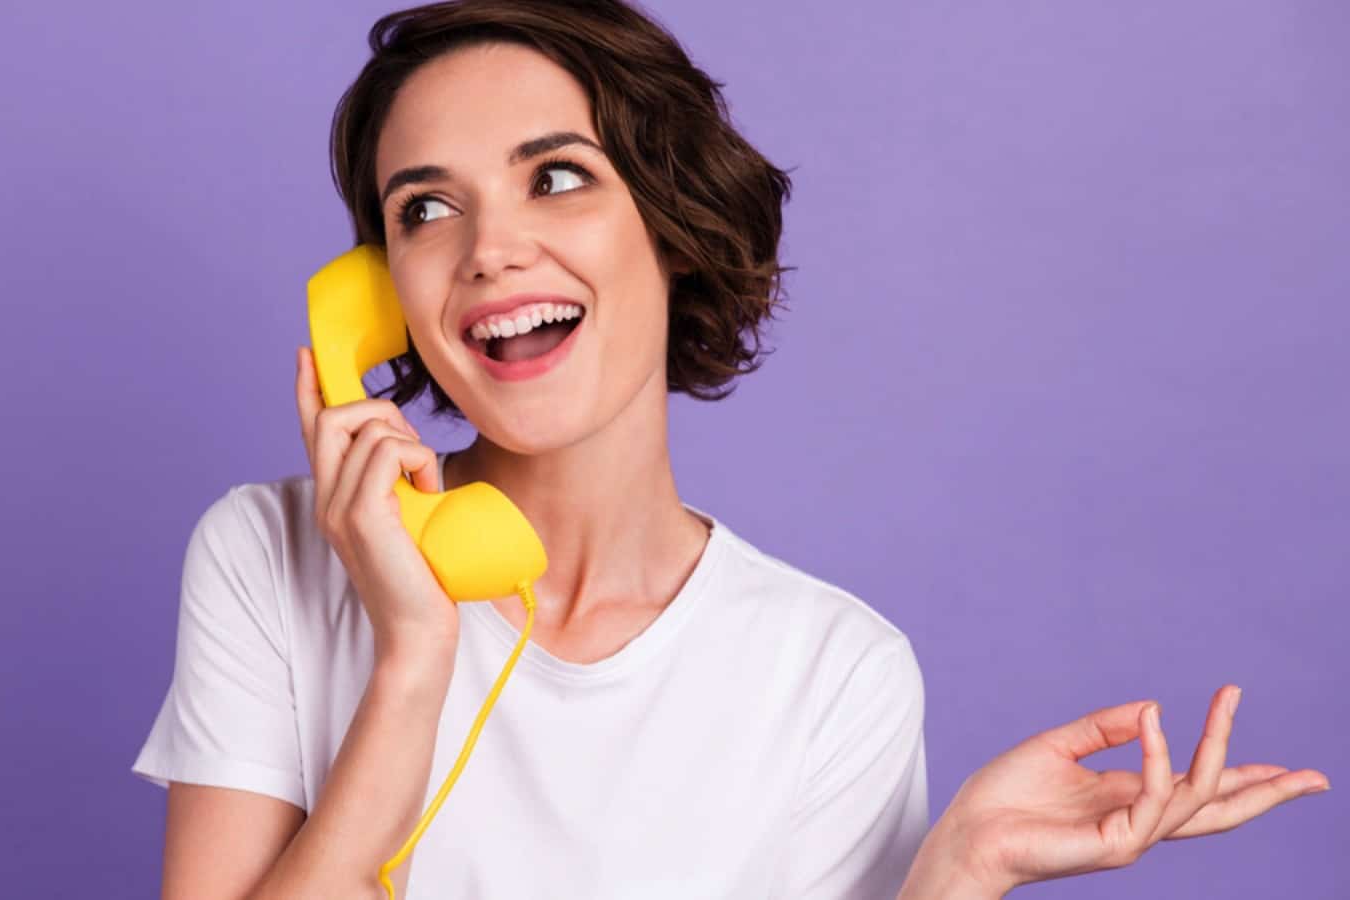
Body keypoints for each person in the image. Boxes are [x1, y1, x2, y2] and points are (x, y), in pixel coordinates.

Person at [130, 2, 1331, 897]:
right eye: (425, 209)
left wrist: (952, 872)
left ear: (675, 229)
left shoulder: (829, 674)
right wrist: (410, 658)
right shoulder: (270, 556)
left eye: (556, 177)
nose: (488, 250)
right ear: (379, 297)